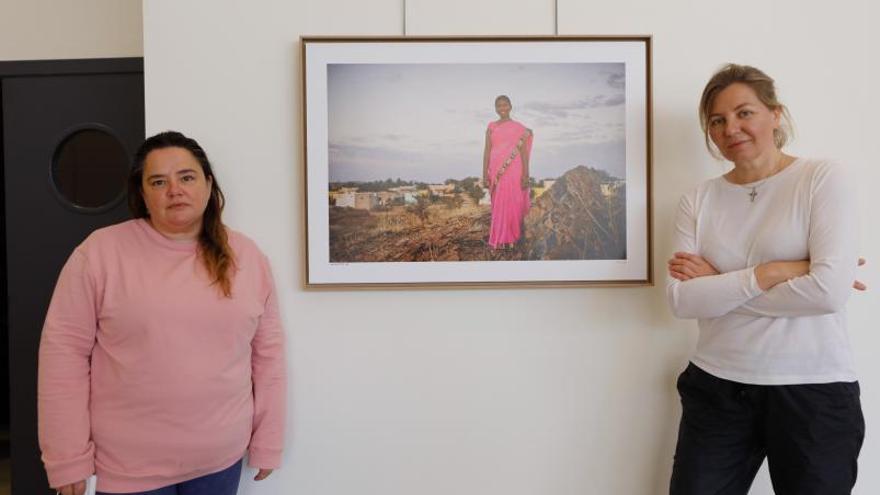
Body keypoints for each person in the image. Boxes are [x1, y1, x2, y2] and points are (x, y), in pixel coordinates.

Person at [38, 131, 286, 495]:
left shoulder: (246, 256)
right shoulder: (100, 253)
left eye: (186, 177)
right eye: (159, 181)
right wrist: (67, 457)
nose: (175, 190)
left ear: (208, 184)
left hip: (219, 461)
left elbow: (268, 355)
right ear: (142, 193)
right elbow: (63, 355)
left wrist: (269, 439)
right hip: (126, 468)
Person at [666, 64, 864, 494]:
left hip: (813, 390)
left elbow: (827, 293)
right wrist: (773, 272)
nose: (731, 128)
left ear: (775, 114)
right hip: (716, 387)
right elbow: (682, 301)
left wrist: (719, 285)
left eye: (744, 112)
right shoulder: (698, 199)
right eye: (717, 121)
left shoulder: (822, 179)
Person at [482, 94, 533, 249]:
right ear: (495, 108)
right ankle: (500, 238)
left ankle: (513, 238)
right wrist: (485, 174)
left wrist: (525, 175)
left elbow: (524, 152)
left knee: (514, 202)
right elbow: (487, 151)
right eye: (499, 105)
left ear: (510, 106)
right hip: (496, 169)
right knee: (499, 205)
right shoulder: (491, 127)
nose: (502, 108)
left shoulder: (519, 128)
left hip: (515, 170)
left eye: (505, 104)